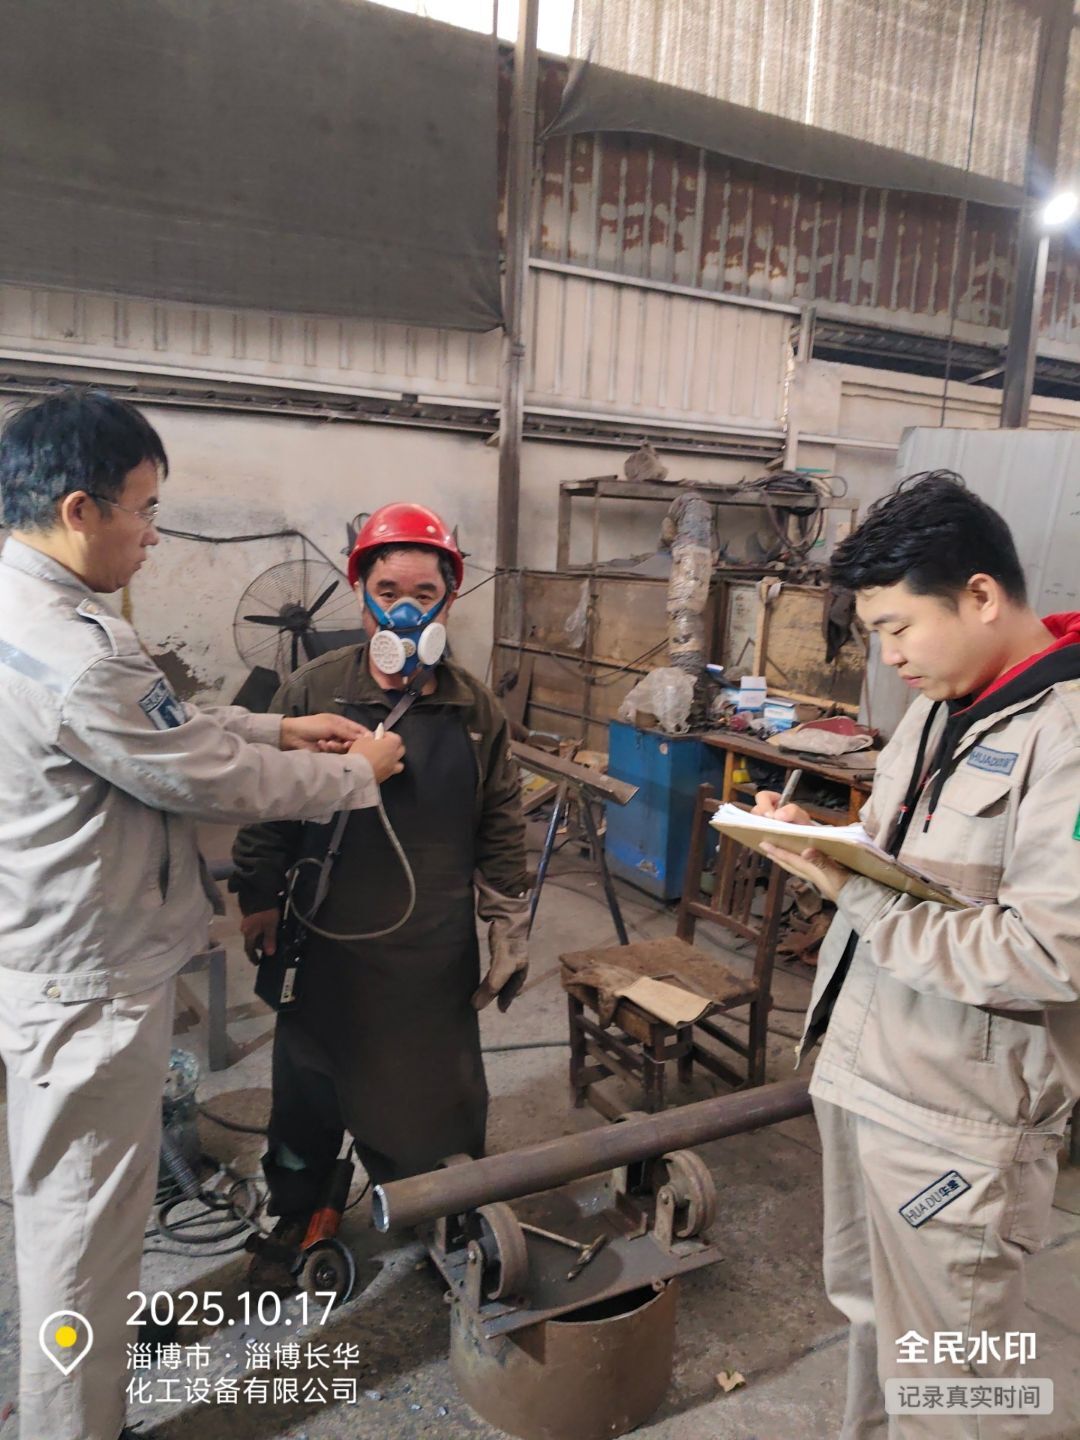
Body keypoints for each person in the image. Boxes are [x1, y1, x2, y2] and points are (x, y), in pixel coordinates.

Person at [0, 387, 405, 1440]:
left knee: (81, 1216)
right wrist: (353, 771)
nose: (153, 533)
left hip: (53, 947)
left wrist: (276, 727)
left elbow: (163, 723)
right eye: (144, 509)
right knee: (83, 1235)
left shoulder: (33, 611)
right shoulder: (77, 649)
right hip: (88, 980)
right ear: (79, 509)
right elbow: (201, 776)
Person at [754, 471, 1080, 1438]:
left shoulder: (1066, 738)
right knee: (873, 1324)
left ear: (980, 595)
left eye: (898, 627)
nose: (889, 656)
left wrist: (848, 888)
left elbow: (1051, 953)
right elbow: (911, 859)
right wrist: (825, 840)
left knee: (956, 1382)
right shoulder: (949, 705)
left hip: (959, 1126)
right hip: (870, 1077)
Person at [231, 501, 529, 1290]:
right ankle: (300, 1200)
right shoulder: (312, 690)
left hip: (430, 950)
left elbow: (501, 817)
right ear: (360, 593)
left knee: (434, 1097)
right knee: (308, 1087)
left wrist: (507, 919)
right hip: (324, 938)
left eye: (424, 593)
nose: (405, 609)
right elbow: (265, 801)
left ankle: (440, 1211)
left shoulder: (473, 709)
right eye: (388, 589)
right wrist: (258, 895)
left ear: (447, 602)